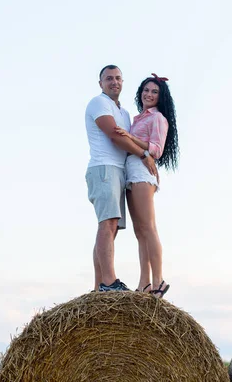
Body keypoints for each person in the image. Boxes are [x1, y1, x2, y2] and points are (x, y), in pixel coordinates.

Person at [85, 65, 158, 292]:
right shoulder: (99, 103)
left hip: (120, 171)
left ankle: (100, 286)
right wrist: (144, 155)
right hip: (104, 167)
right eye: (108, 78)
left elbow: (133, 140)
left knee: (112, 226)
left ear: (123, 82)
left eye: (117, 78)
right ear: (101, 83)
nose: (114, 82)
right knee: (107, 223)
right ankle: (108, 282)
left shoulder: (125, 114)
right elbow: (115, 135)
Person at [113, 73, 179, 298]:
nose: (149, 95)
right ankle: (144, 284)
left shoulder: (158, 118)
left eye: (154, 92)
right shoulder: (138, 118)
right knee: (139, 231)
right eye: (146, 90)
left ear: (160, 98)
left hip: (142, 171)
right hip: (132, 171)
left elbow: (156, 150)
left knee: (149, 227)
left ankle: (158, 280)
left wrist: (129, 138)